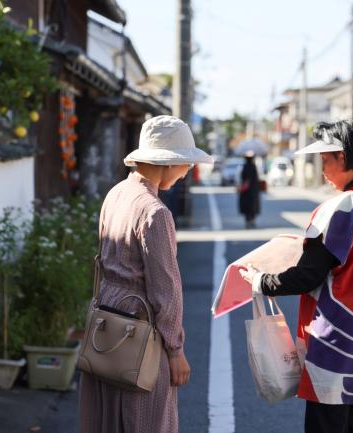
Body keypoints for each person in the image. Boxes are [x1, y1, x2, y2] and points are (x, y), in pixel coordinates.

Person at [239, 120, 353, 433]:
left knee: (328, 425)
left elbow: (309, 275)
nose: (322, 168)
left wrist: (261, 280)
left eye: (325, 159)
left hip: (338, 342)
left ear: (343, 158)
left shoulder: (341, 208)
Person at [78, 115, 212, 433]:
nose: (187, 171)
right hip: (139, 330)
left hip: (106, 322)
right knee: (146, 418)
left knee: (106, 419)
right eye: (184, 163)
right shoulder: (155, 213)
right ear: (166, 163)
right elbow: (165, 289)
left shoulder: (116, 194)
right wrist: (176, 351)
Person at [239, 150, 261, 228]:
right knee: (253, 205)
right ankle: (252, 220)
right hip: (254, 190)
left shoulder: (244, 167)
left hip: (246, 191)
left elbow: (242, 177)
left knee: (246, 205)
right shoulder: (254, 167)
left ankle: (248, 220)